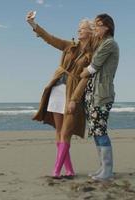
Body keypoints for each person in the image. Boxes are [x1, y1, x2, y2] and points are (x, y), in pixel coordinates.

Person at [26, 11, 96, 179]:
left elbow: (84, 80)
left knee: (66, 133)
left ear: (90, 32)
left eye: (83, 29)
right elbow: (50, 39)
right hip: (57, 90)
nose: (79, 31)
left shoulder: (92, 55)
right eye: (78, 28)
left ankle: (56, 171)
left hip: (72, 94)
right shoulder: (69, 46)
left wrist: (74, 99)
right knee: (58, 132)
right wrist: (33, 24)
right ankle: (69, 170)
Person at [69, 13, 120, 181]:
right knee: (97, 132)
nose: (95, 28)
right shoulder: (101, 43)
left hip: (102, 95)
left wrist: (83, 72)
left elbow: (93, 66)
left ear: (107, 27)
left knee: (101, 131)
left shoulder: (110, 44)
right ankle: (103, 168)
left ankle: (108, 170)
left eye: (98, 25)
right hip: (93, 95)